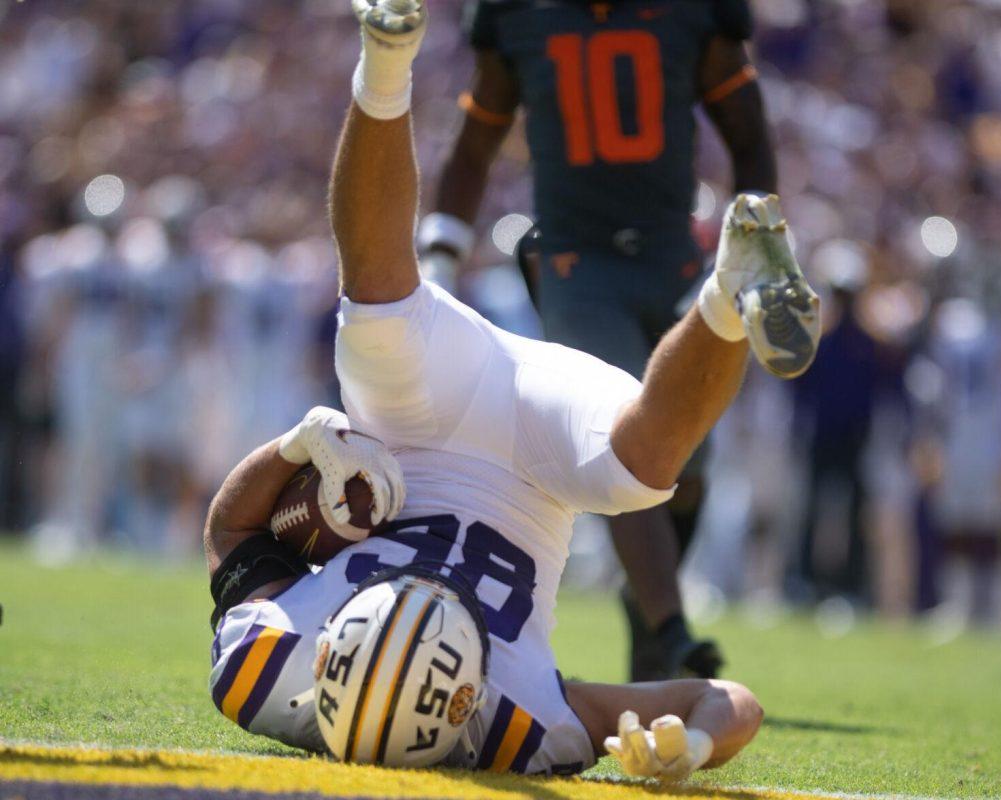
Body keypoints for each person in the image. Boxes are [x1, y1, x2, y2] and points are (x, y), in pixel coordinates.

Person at [205, 0, 818, 779]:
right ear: (466, 704)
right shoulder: (525, 729)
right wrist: (690, 747)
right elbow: (728, 698)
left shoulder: (262, 672)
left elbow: (231, 533)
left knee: (377, 320)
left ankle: (385, 58)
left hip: (419, 423)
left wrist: (297, 444)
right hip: (544, 456)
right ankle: (730, 295)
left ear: (329, 649)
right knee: (639, 473)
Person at [420, 0, 781, 681]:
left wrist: (757, 243)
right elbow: (476, 141)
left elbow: (751, 138)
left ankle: (643, 610)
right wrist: (439, 257)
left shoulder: (695, 18)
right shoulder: (518, 15)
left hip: (673, 259)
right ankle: (673, 631)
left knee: (689, 470)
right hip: (574, 264)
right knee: (625, 431)